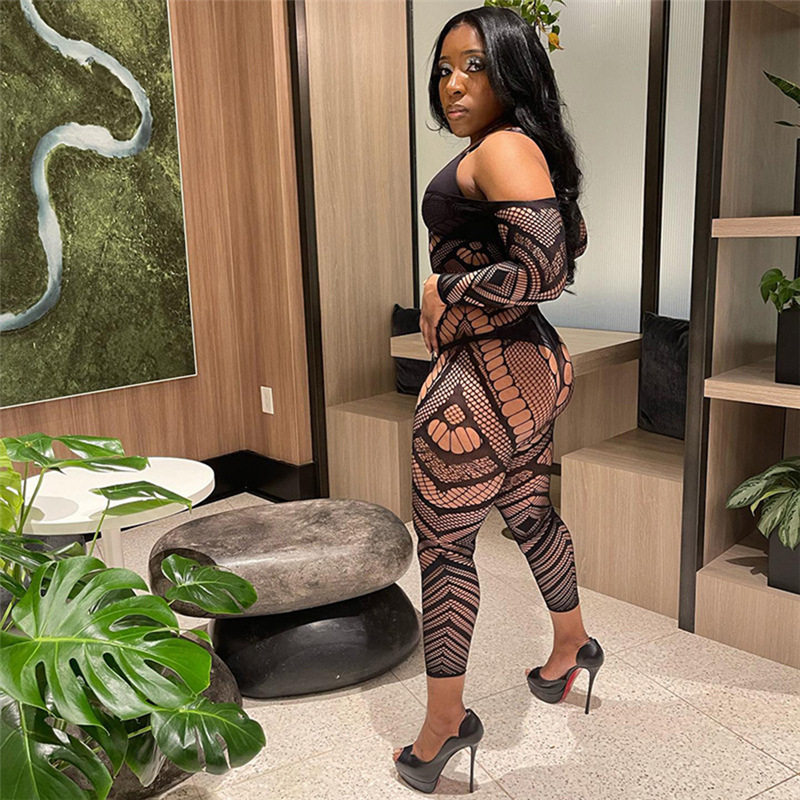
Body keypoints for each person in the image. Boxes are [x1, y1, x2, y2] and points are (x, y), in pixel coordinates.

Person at [392, 7, 605, 794]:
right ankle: (573, 646)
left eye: (474, 66)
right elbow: (567, 242)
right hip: (529, 368)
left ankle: (444, 725)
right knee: (531, 516)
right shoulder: (524, 148)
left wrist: (442, 289)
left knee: (446, 549)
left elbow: (546, 269)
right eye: (444, 68)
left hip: (480, 379)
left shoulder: (504, 148)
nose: (453, 84)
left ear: (513, 71)